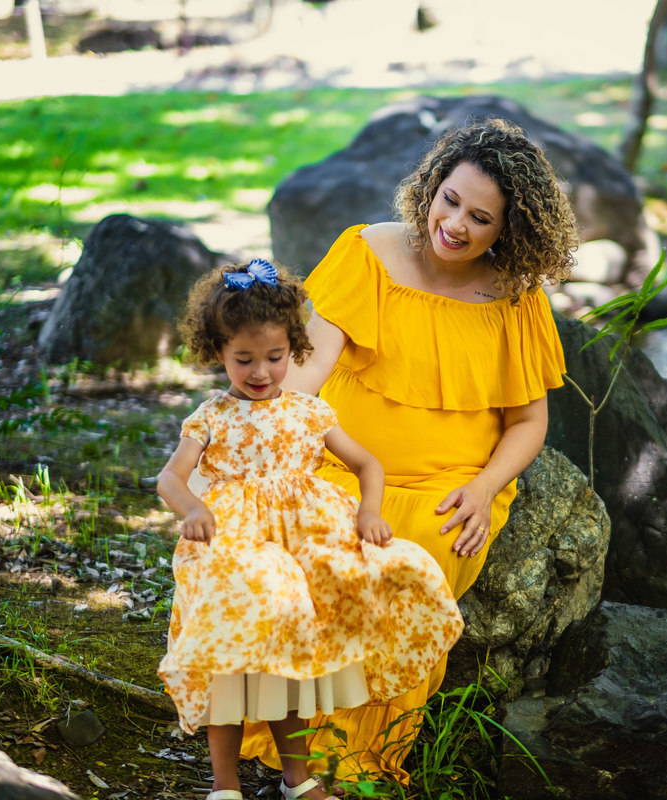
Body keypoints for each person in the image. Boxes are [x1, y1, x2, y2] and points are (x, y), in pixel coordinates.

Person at [239, 117, 580, 784]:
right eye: (449, 199)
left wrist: (484, 489)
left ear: (509, 231)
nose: (454, 224)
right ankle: (291, 760)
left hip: (446, 488)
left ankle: (354, 768)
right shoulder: (367, 251)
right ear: (431, 184)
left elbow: (528, 422)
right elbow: (310, 365)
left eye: (481, 219)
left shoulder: (515, 297)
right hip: (339, 466)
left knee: (407, 570)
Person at [155, 258, 465, 800]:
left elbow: (369, 464)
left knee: (292, 665)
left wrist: (370, 511)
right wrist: (192, 509)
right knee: (230, 669)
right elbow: (171, 477)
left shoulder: (308, 412)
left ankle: (296, 779)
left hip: (302, 548)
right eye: (243, 359)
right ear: (218, 353)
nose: (260, 373)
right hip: (238, 551)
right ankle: (223, 785)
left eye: (274, 358)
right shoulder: (212, 416)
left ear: (293, 348)